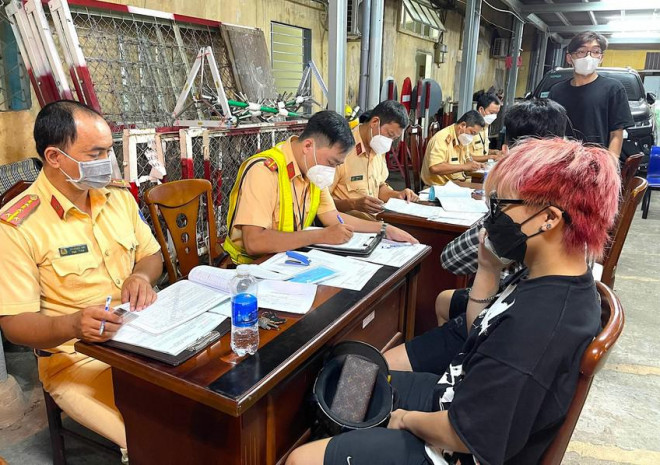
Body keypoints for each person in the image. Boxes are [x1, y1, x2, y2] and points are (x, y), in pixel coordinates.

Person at [287, 137, 620, 465]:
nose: (491, 220)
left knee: (303, 459)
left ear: (548, 219)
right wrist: (488, 268)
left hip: (454, 444)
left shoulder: (538, 325)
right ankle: (350, 439)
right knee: (350, 376)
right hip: (453, 396)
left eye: (500, 207)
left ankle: (348, 444)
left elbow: (466, 434)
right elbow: (482, 331)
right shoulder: (548, 275)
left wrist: (404, 419)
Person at [0, 100, 163, 461]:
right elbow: (14, 326)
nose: (108, 162)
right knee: (154, 440)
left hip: (143, 336)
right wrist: (74, 324)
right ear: (55, 157)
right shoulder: (17, 226)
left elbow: (152, 256)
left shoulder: (117, 197)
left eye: (109, 151)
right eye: (96, 153)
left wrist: (140, 275)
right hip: (75, 360)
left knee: (203, 408)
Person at [222, 110, 418, 264]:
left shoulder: (312, 169)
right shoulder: (264, 171)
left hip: (286, 260)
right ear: (308, 146)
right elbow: (254, 242)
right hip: (250, 268)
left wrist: (383, 229)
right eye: (331, 162)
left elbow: (333, 217)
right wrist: (320, 235)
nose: (331, 171)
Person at [437, 98, 568, 326]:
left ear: (512, 151)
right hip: (555, 305)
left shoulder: (522, 203)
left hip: (513, 310)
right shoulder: (578, 189)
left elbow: (452, 259)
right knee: (444, 300)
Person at [548, 31, 633, 157]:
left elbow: (616, 134)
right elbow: (550, 132)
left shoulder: (613, 88)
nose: (589, 57)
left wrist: (610, 165)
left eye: (595, 51)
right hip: (563, 162)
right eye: (581, 51)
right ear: (569, 58)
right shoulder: (556, 91)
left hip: (597, 163)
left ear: (601, 57)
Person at [331, 100, 418, 220]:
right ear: (375, 122)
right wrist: (354, 204)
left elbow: (379, 187)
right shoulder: (342, 150)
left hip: (375, 221)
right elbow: (321, 202)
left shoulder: (377, 147)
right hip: (348, 225)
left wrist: (397, 195)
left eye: (394, 138)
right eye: (389, 134)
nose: (389, 142)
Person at [421, 110, 485, 187]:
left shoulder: (462, 137)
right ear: (462, 125)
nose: (472, 137)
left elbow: (467, 158)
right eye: (472, 133)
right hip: (439, 187)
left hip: (456, 184)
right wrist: (464, 167)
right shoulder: (442, 138)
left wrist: (473, 164)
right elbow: (435, 167)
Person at [469, 91, 503, 162]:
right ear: (481, 110)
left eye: (496, 113)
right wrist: (491, 157)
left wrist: (494, 152)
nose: (494, 116)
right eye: (491, 113)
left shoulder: (485, 127)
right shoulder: (469, 128)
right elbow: (466, 158)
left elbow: (482, 152)